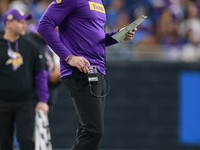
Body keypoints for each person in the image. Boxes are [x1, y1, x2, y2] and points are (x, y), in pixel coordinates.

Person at [37, 0, 136, 149]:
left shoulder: (98, 1)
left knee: (88, 132)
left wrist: (119, 35)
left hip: (98, 71)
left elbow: (96, 40)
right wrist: (69, 57)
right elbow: (44, 25)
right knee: (93, 131)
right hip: (80, 70)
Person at [0, 8, 49, 150]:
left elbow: (40, 74)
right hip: (2, 102)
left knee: (26, 141)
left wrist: (43, 100)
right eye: (20, 22)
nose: (24, 25)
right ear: (8, 24)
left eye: (25, 22)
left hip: (25, 102)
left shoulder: (31, 46)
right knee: (3, 143)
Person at [25, 24, 61, 110]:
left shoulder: (48, 44)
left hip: (48, 95)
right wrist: (49, 75)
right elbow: (27, 70)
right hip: (32, 97)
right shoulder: (30, 41)